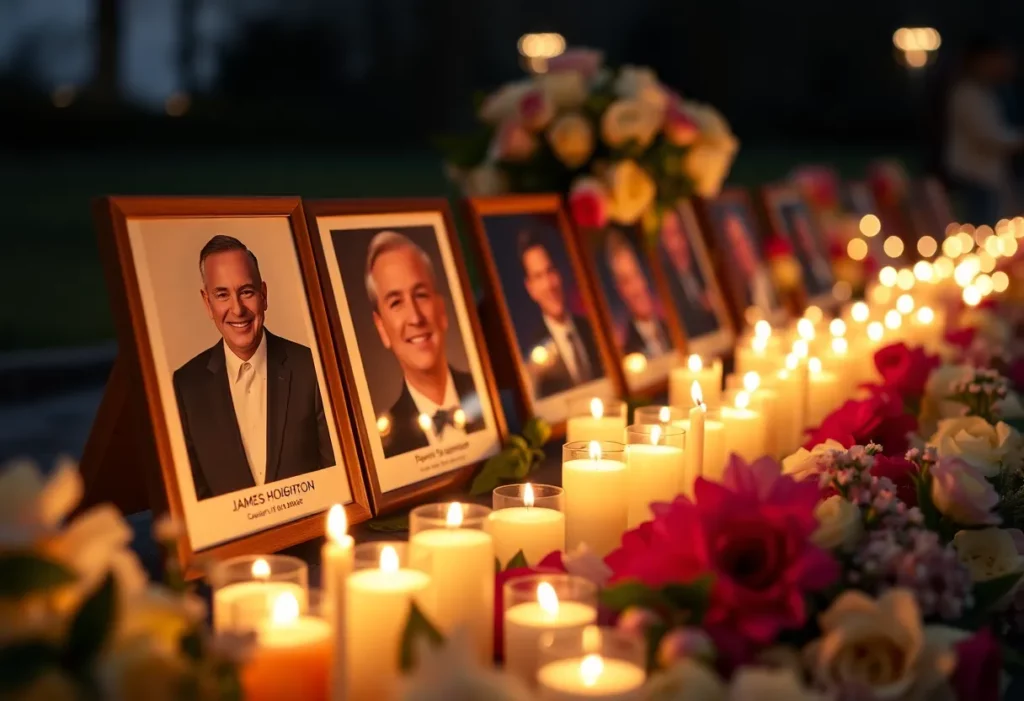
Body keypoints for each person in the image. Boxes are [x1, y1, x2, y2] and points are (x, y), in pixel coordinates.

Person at [173, 235, 335, 501]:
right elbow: (196, 497)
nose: (237, 309)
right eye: (222, 295)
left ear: (264, 295)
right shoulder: (185, 386)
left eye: (246, 292)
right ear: (207, 303)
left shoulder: (312, 367)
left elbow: (335, 479)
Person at [365, 231, 484, 458]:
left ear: (441, 310)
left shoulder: (487, 400)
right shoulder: (385, 444)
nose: (415, 317)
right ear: (381, 328)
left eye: (420, 295)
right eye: (396, 302)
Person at [946, 35, 1023, 224]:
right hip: (975, 177)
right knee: (981, 230)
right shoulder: (967, 93)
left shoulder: (986, 92)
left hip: (986, 177)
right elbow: (988, 137)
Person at [519, 230, 601, 398]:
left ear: (559, 274)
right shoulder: (533, 356)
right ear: (530, 288)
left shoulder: (593, 330)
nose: (549, 284)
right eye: (538, 276)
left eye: (550, 271)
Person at [604, 229, 672, 357]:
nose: (637, 288)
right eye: (626, 281)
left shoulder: (674, 330)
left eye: (637, 274)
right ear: (619, 289)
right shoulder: (626, 351)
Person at [659, 207, 720, 338]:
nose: (675, 244)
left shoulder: (705, 266)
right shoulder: (665, 285)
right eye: (668, 236)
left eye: (678, 232)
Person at [722, 209, 779, 315]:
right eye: (734, 246)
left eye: (742, 240)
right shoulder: (739, 294)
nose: (741, 251)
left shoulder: (774, 276)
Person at [786, 207, 833, 296]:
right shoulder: (797, 270)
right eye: (800, 237)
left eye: (806, 234)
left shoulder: (823, 260)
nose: (805, 240)